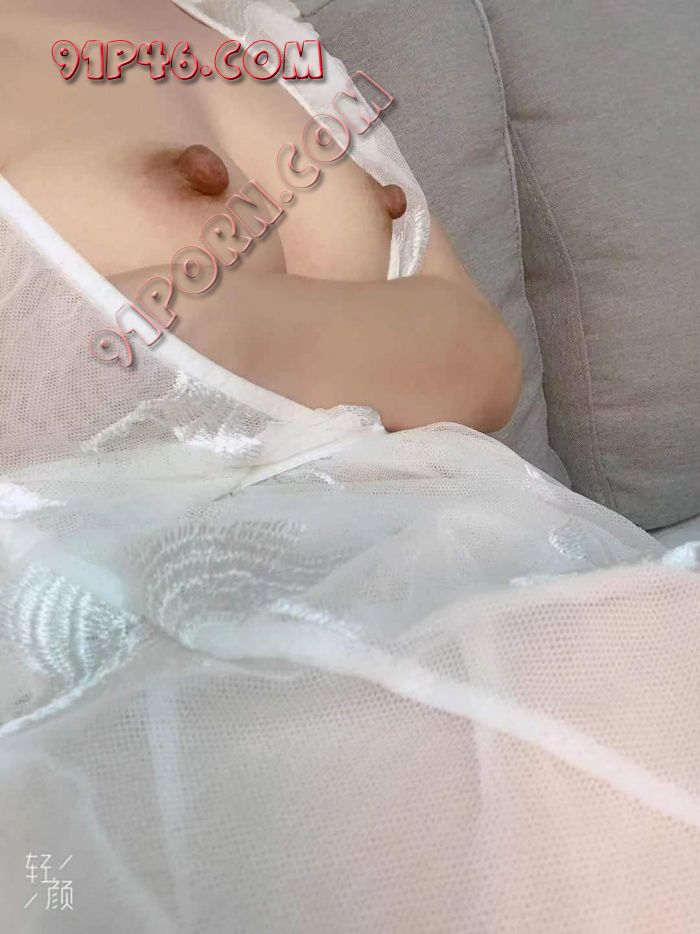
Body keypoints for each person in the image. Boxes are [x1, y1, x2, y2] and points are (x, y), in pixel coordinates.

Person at [0, 0, 521, 433]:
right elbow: (45, 400)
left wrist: (217, 331)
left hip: (462, 516)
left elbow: (489, 362)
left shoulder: (257, 25)